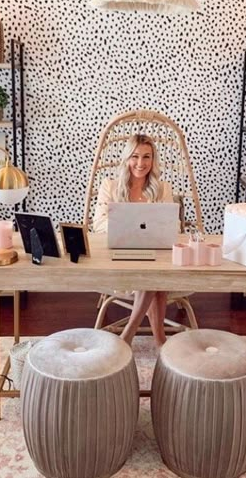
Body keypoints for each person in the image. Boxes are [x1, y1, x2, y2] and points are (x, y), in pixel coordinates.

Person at [93, 133, 174, 347]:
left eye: (147, 157)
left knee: (155, 273)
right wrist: (130, 227)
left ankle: (129, 334)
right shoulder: (109, 186)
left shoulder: (163, 188)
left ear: (153, 160)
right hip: (119, 255)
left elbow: (171, 226)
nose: (141, 163)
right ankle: (159, 340)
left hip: (154, 254)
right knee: (156, 280)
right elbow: (98, 224)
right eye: (135, 156)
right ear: (127, 158)